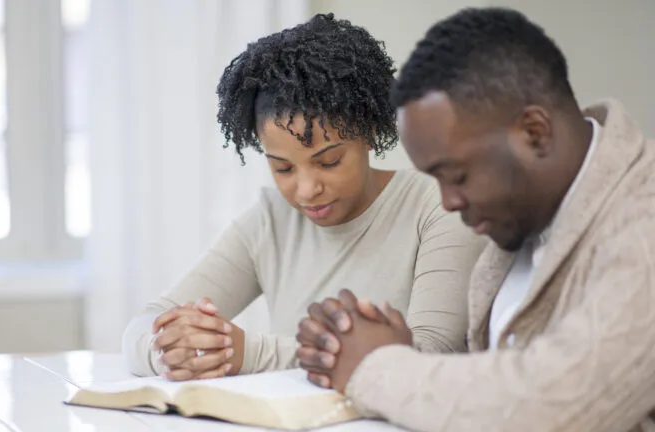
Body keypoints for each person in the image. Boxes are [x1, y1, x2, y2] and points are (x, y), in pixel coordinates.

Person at [296, 6, 655, 431]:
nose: (447, 202)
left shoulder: (643, 223)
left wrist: (378, 367)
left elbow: (556, 407)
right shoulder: (525, 220)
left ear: (535, 133)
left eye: (458, 176)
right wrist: (398, 354)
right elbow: (503, 376)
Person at [121, 13, 485, 382]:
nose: (307, 190)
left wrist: (250, 353)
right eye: (283, 169)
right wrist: (171, 351)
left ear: (370, 132)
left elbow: (431, 354)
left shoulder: (438, 208)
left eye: (329, 161)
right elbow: (143, 326)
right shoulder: (270, 222)